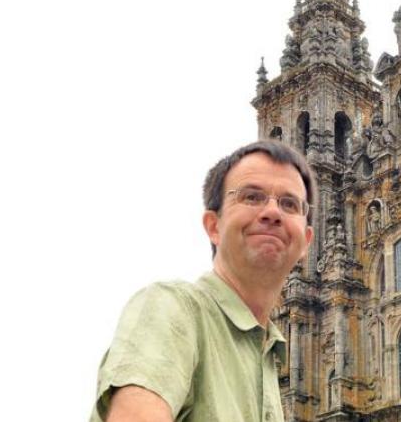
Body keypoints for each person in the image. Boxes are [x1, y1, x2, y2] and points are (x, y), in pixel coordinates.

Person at [90, 140, 316, 422]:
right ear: (213, 226)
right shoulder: (172, 308)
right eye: (251, 197)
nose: (272, 212)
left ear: (306, 241)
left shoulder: (267, 353)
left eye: (289, 203)